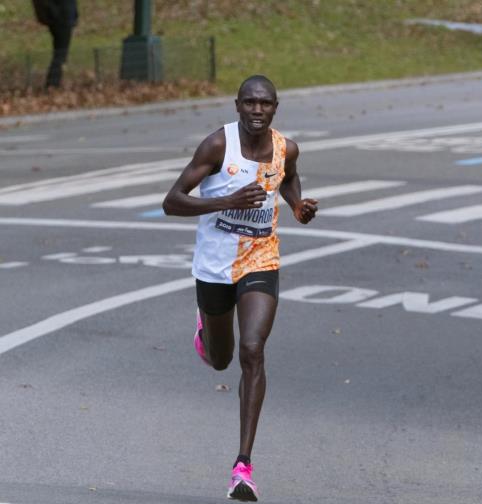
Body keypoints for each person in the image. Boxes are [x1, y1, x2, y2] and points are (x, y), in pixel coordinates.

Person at [162, 75, 318, 502]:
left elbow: (287, 177)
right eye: (249, 103)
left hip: (260, 260)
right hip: (214, 267)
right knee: (220, 359)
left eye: (264, 103)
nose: (256, 110)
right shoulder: (217, 146)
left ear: (275, 107)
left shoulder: (286, 148)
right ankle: (205, 334)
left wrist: (297, 205)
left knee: (252, 350)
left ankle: (242, 467)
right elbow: (172, 201)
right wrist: (225, 201)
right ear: (237, 105)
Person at [31, 0, 79, 89]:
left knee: (59, 51)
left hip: (56, 16)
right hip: (62, 17)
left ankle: (53, 82)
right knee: (61, 53)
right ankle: (52, 84)